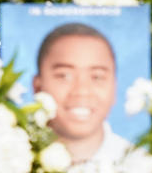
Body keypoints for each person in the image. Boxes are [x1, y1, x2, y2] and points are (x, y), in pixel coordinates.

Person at [33, 23, 132, 167]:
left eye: (97, 77)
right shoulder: (7, 159)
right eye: (64, 76)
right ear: (37, 86)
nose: (81, 91)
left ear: (114, 88)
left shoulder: (142, 163)